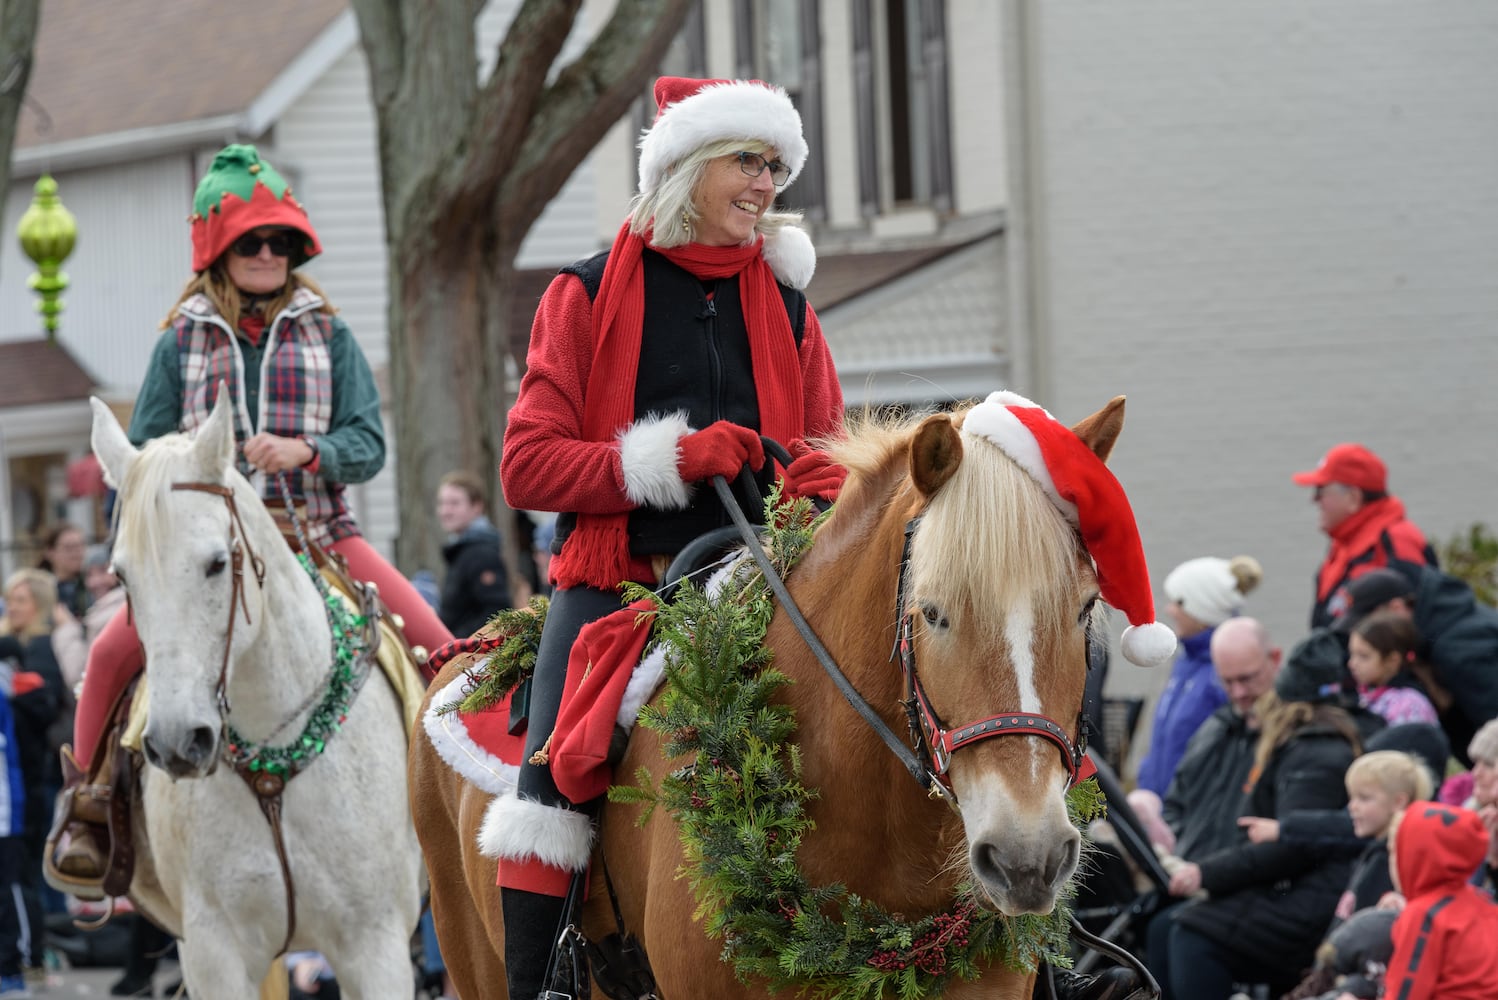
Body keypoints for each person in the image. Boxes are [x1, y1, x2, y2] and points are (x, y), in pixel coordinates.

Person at [491, 74, 851, 1000]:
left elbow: (830, 455)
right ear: (688, 168)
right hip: (625, 582)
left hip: (772, 582)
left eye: (776, 166)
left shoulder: (793, 308)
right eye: (748, 161)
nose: (767, 185)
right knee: (551, 787)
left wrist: (819, 479)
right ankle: (543, 982)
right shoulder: (582, 294)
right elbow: (528, 468)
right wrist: (672, 458)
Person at [47, 143, 454, 893]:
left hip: (319, 537)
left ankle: (462, 801)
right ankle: (90, 805)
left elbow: (368, 445)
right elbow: (140, 464)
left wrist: (306, 450)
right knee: (106, 657)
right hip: (202, 554)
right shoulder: (180, 341)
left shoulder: (329, 334)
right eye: (251, 242)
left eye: (281, 241)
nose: (269, 254)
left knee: (443, 648)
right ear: (219, 252)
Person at [1153, 630, 1378, 1000]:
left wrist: (1207, 873)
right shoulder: (1262, 735)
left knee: (1188, 930)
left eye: (1250, 681)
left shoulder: (1314, 750)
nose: (1243, 698)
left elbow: (1293, 845)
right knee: (1170, 923)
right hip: (1291, 888)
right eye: (1229, 682)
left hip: (1310, 900)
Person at [1132, 616, 1281, 858]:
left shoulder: (1292, 735)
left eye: (1246, 679)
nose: (1239, 693)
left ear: (1275, 659)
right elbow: (1177, 802)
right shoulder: (1214, 730)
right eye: (1228, 682)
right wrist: (1177, 848)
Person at [1340, 564, 1498, 765]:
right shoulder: (1447, 620)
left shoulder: (1461, 650)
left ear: (1397, 608)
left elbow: (1493, 720)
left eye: (1375, 623)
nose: (1369, 632)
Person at [1134, 555, 1262, 797]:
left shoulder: (1223, 674)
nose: (1170, 609)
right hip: (1163, 810)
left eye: (1179, 603)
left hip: (1190, 815)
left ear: (1204, 610)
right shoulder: (1186, 661)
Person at [1291, 442, 1436, 630]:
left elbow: (1415, 623)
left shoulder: (1396, 541)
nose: (1315, 500)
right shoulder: (1344, 543)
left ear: (1353, 498)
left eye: (1321, 491)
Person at [0, 570, 65, 980]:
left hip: (26, 776)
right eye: (10, 600)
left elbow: (46, 708)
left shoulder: (40, 647)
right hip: (14, 771)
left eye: (21, 600)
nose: (13, 608)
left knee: (20, 875)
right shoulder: (12, 644)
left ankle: (30, 956)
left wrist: (18, 691)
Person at [1381, 803, 1498, 999]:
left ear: (1415, 855)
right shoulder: (1485, 903)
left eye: (1396, 851)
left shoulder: (1424, 914)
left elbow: (1406, 993)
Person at [435, 470, 513, 637]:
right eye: (442, 503)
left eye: (454, 503)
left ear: (477, 506)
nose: (445, 511)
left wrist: (457, 642)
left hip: (470, 657)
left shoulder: (482, 555)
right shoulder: (462, 551)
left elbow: (497, 612)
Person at [50, 546, 126, 693]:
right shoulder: (95, 613)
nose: (95, 582)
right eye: (89, 575)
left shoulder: (111, 616)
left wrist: (66, 627)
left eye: (104, 571)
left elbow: (80, 677)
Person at [1345, 611, 1438, 727]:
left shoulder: (1410, 706)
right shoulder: (1363, 693)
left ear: (1392, 661)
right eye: (1351, 654)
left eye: (1364, 656)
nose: (1352, 664)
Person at [36, 524, 88, 623]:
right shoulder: (38, 588)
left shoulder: (94, 584)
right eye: (68, 547)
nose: (77, 553)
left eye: (80, 545)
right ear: (49, 552)